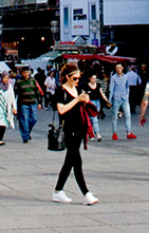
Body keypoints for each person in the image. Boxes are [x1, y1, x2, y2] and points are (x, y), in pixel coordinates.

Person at [52, 63, 98, 205]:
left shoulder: (78, 88)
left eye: (79, 78)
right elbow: (61, 109)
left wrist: (85, 100)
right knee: (76, 161)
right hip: (69, 128)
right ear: (67, 77)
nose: (77, 81)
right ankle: (86, 193)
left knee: (69, 161)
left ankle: (58, 191)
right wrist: (77, 100)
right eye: (75, 78)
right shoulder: (61, 91)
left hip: (80, 128)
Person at [108, 62, 139, 140]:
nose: (118, 69)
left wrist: (127, 95)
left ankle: (129, 132)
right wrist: (109, 100)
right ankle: (114, 133)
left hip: (124, 98)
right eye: (117, 68)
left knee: (128, 115)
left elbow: (127, 86)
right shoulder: (113, 78)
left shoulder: (126, 77)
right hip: (116, 98)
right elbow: (111, 89)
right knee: (115, 116)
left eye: (119, 68)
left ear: (122, 68)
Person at [14, 67, 43, 143]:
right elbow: (15, 92)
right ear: (21, 73)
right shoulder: (18, 81)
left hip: (33, 102)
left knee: (34, 118)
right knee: (24, 120)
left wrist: (40, 102)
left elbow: (37, 91)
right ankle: (25, 136)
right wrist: (13, 104)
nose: (26, 74)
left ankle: (27, 131)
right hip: (23, 103)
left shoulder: (33, 80)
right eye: (24, 73)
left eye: (27, 72)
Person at [80, 71, 109, 141]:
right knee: (93, 119)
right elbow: (82, 94)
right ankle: (97, 134)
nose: (94, 80)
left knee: (92, 119)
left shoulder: (98, 85)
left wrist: (107, 101)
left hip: (97, 103)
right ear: (89, 78)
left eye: (95, 78)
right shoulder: (86, 86)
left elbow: (102, 94)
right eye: (93, 78)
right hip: (89, 104)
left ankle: (90, 133)